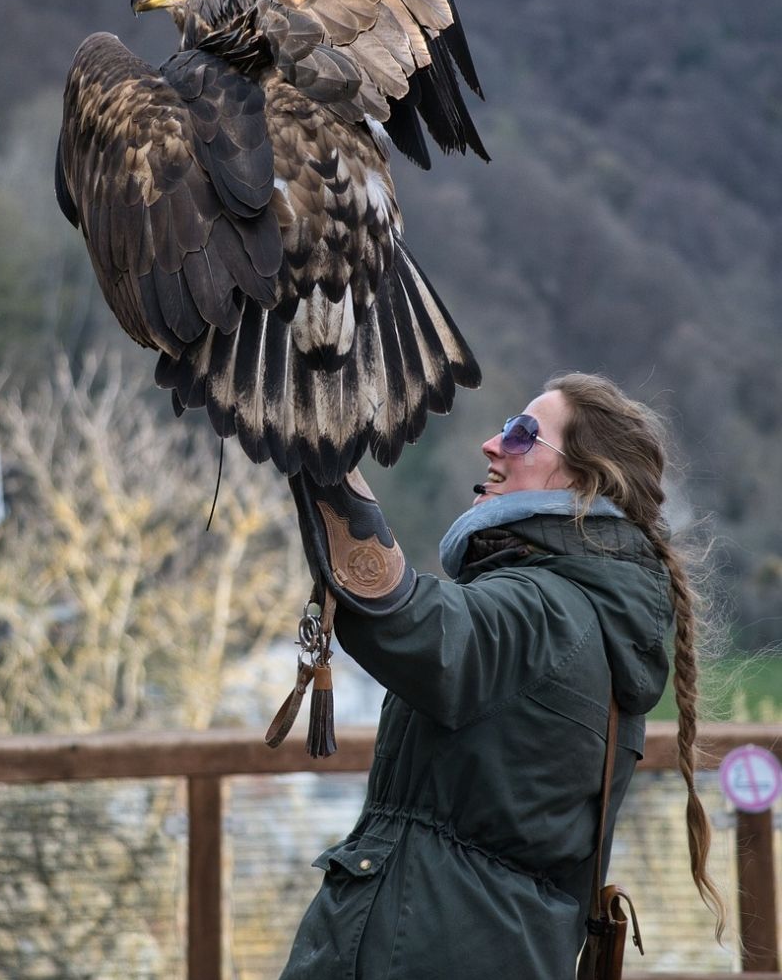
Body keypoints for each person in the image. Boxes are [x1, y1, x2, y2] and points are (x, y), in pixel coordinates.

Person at [281, 372, 726, 980]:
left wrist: (316, 446)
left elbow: (405, 622)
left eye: (521, 435)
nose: (491, 444)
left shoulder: (549, 612)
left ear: (581, 479)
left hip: (432, 945)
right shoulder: (582, 614)